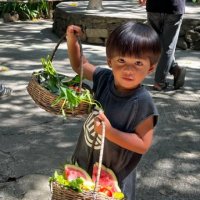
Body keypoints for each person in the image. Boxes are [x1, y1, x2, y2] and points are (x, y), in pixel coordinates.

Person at [66, 21, 161, 200]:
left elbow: (143, 145)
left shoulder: (142, 101)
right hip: (85, 165)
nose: (128, 69)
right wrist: (72, 41)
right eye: (121, 60)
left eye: (138, 63)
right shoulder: (104, 78)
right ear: (110, 61)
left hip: (115, 180)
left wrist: (110, 132)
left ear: (150, 68)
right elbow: (80, 64)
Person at [138, 0, 186, 91]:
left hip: (154, 6)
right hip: (174, 6)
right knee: (167, 46)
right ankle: (160, 81)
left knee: (154, 44)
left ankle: (175, 69)